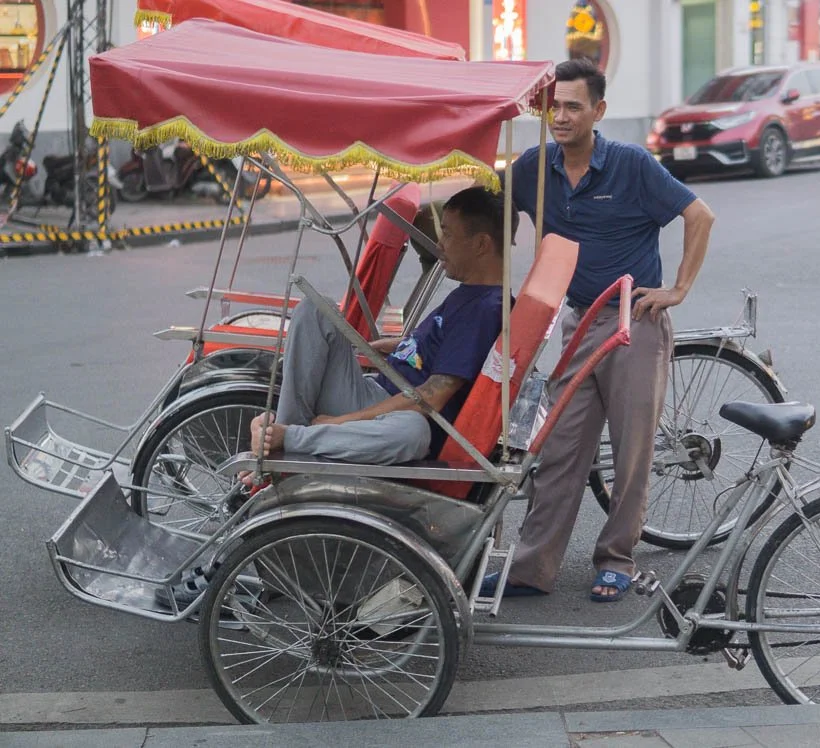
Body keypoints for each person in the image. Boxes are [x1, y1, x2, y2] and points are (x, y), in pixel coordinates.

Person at [482, 57, 715, 603]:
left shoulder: (631, 165)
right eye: (554, 106)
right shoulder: (536, 167)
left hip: (635, 323)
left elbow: (700, 216)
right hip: (576, 319)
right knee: (559, 448)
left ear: (598, 111)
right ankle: (531, 566)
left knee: (631, 450)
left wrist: (678, 289)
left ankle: (616, 558)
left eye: (573, 106)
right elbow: (494, 206)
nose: (560, 116)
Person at [247, 185, 517, 468]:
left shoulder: (485, 309)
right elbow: (440, 347)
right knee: (317, 308)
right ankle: (281, 438)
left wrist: (342, 422)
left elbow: (433, 396)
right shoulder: (469, 292)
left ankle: (291, 439)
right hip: (375, 392)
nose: (439, 245)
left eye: (448, 234)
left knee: (412, 433)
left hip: (398, 417)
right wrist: (391, 344)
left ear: (481, 244)